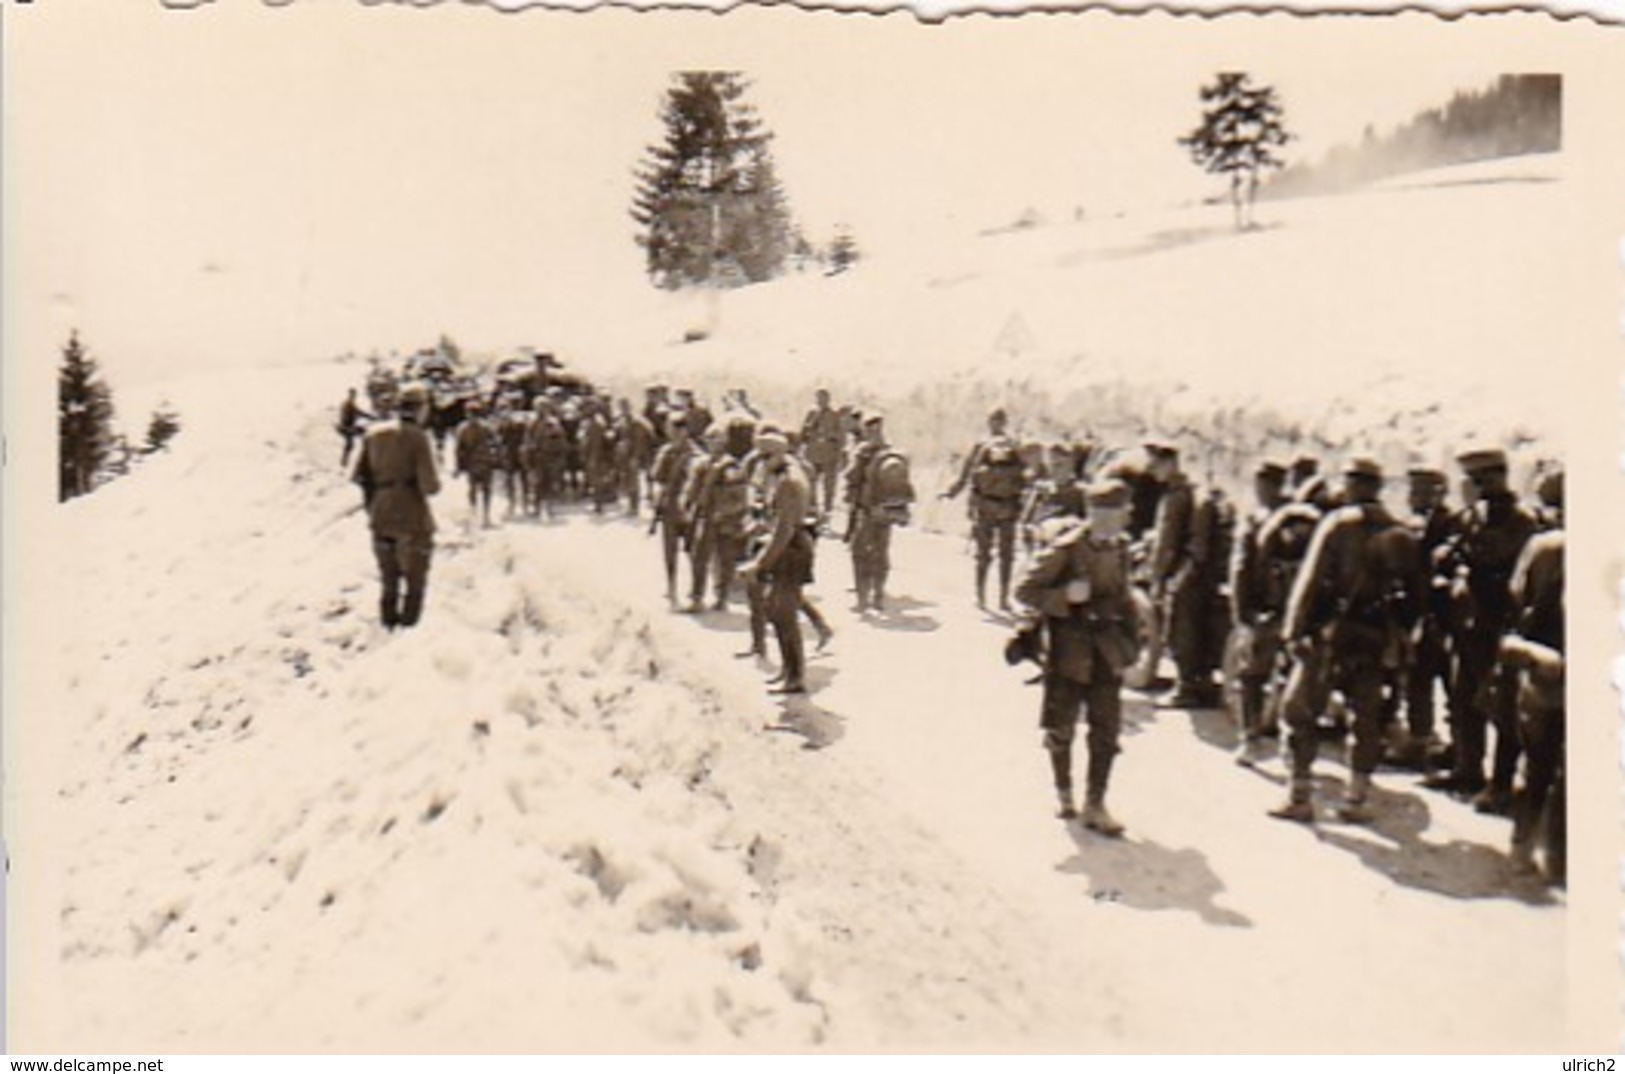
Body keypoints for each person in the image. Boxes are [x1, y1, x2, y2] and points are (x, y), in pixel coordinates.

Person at [1269, 458, 1424, 823]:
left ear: (1352, 485)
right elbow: (1417, 596)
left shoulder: (1337, 525)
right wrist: (1398, 634)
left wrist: (1294, 631)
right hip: (1373, 639)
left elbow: (1310, 581)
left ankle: (1300, 795)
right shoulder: (1400, 530)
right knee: (1366, 716)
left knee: (1299, 710)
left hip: (1329, 637)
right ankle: (1357, 797)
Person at [1014, 478, 1143, 834]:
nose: (1128, 517)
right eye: (1122, 511)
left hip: (1107, 651)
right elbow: (1025, 590)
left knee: (1106, 730)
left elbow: (1127, 599)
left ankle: (1096, 804)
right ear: (1103, 514)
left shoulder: (1121, 548)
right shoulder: (1067, 549)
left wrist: (1133, 649)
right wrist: (1063, 596)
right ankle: (1064, 793)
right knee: (1061, 728)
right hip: (1068, 652)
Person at [1425, 447, 1538, 812]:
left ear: (1498, 477)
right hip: (1468, 625)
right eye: (1473, 481)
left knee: (1503, 707)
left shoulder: (1522, 522)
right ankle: (1467, 768)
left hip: (1500, 626)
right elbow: (1456, 555)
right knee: (1463, 699)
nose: (1477, 488)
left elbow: (1504, 568)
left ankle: (1502, 785)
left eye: (1483, 480)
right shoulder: (1472, 516)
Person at [1501, 525, 1564, 885]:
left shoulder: (1546, 547)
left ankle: (1524, 846)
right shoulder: (1551, 548)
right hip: (1554, 671)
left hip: (1548, 670)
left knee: (1538, 766)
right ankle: (1546, 852)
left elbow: (1517, 601)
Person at [352, 383, 441, 630]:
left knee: (388, 579)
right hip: (411, 515)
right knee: (415, 578)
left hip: (381, 514)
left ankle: (387, 627)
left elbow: (360, 477)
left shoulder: (374, 433)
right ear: (421, 408)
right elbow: (430, 486)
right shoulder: (417, 436)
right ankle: (409, 632)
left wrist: (375, 505)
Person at [741, 428, 816, 695]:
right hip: (789, 546)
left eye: (765, 456)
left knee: (783, 613)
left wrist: (761, 564)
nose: (762, 462)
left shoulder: (787, 482)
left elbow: (784, 529)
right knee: (775, 610)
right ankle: (788, 671)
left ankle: (795, 677)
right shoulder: (784, 477)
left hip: (791, 550)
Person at [1228, 459, 1290, 761]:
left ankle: (1251, 740)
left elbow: (1240, 571)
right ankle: (1291, 747)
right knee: (1292, 677)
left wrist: (1242, 616)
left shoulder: (1255, 521)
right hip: (1294, 614)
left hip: (1263, 614)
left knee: (1251, 677)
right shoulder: (1300, 518)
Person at [942, 408, 1029, 611]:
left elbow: (966, 475)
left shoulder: (981, 446)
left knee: (984, 554)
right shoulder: (1015, 446)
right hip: (1008, 506)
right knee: (1005, 555)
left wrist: (952, 492)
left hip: (986, 506)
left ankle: (981, 597)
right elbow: (1025, 477)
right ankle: (1002, 599)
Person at [845, 414, 914, 612]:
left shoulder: (864, 452)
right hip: (886, 512)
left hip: (867, 510)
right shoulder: (891, 453)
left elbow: (851, 476)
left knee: (859, 552)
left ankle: (862, 598)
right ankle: (879, 596)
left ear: (867, 429)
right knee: (881, 552)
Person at [649, 414, 702, 606]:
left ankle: (695, 592)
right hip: (670, 507)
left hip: (688, 507)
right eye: (673, 429)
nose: (676, 433)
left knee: (693, 551)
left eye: (680, 429)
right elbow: (657, 477)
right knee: (670, 551)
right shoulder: (667, 452)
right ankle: (671, 588)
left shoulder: (695, 455)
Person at [452, 398, 501, 529]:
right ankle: (484, 516)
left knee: (475, 489)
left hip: (475, 462)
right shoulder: (486, 426)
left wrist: (458, 466)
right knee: (484, 489)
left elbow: (459, 448)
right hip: (483, 461)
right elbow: (496, 444)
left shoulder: (463, 428)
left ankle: (478, 515)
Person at [800, 388, 847, 521]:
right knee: (811, 481)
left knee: (829, 485)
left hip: (829, 455)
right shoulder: (811, 414)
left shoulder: (835, 415)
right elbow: (803, 433)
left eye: (824, 398)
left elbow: (842, 437)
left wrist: (831, 436)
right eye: (819, 398)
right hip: (813, 453)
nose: (821, 401)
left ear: (828, 400)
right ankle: (812, 508)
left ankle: (828, 510)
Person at [338, 388, 373, 468]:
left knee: (350, 444)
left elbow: (358, 412)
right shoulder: (348, 404)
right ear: (350, 394)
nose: (354, 396)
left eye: (355, 395)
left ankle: (344, 461)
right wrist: (369, 417)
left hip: (348, 426)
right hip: (347, 426)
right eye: (353, 394)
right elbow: (356, 413)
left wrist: (369, 416)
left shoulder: (350, 403)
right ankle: (344, 462)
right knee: (352, 443)